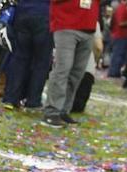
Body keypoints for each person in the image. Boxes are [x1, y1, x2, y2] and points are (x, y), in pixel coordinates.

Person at [41, 0, 99, 128]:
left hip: (88, 25)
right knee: (63, 69)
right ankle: (52, 111)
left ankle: (63, 110)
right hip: (66, 24)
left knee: (77, 73)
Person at [1, 0, 51, 110]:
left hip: (22, 13)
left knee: (19, 58)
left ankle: (11, 98)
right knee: (41, 62)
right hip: (44, 14)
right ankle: (33, 100)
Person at [109, 0, 127, 77]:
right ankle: (113, 72)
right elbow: (120, 23)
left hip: (124, 35)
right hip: (120, 35)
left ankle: (116, 71)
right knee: (118, 54)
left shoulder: (126, 7)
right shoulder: (122, 8)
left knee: (121, 55)